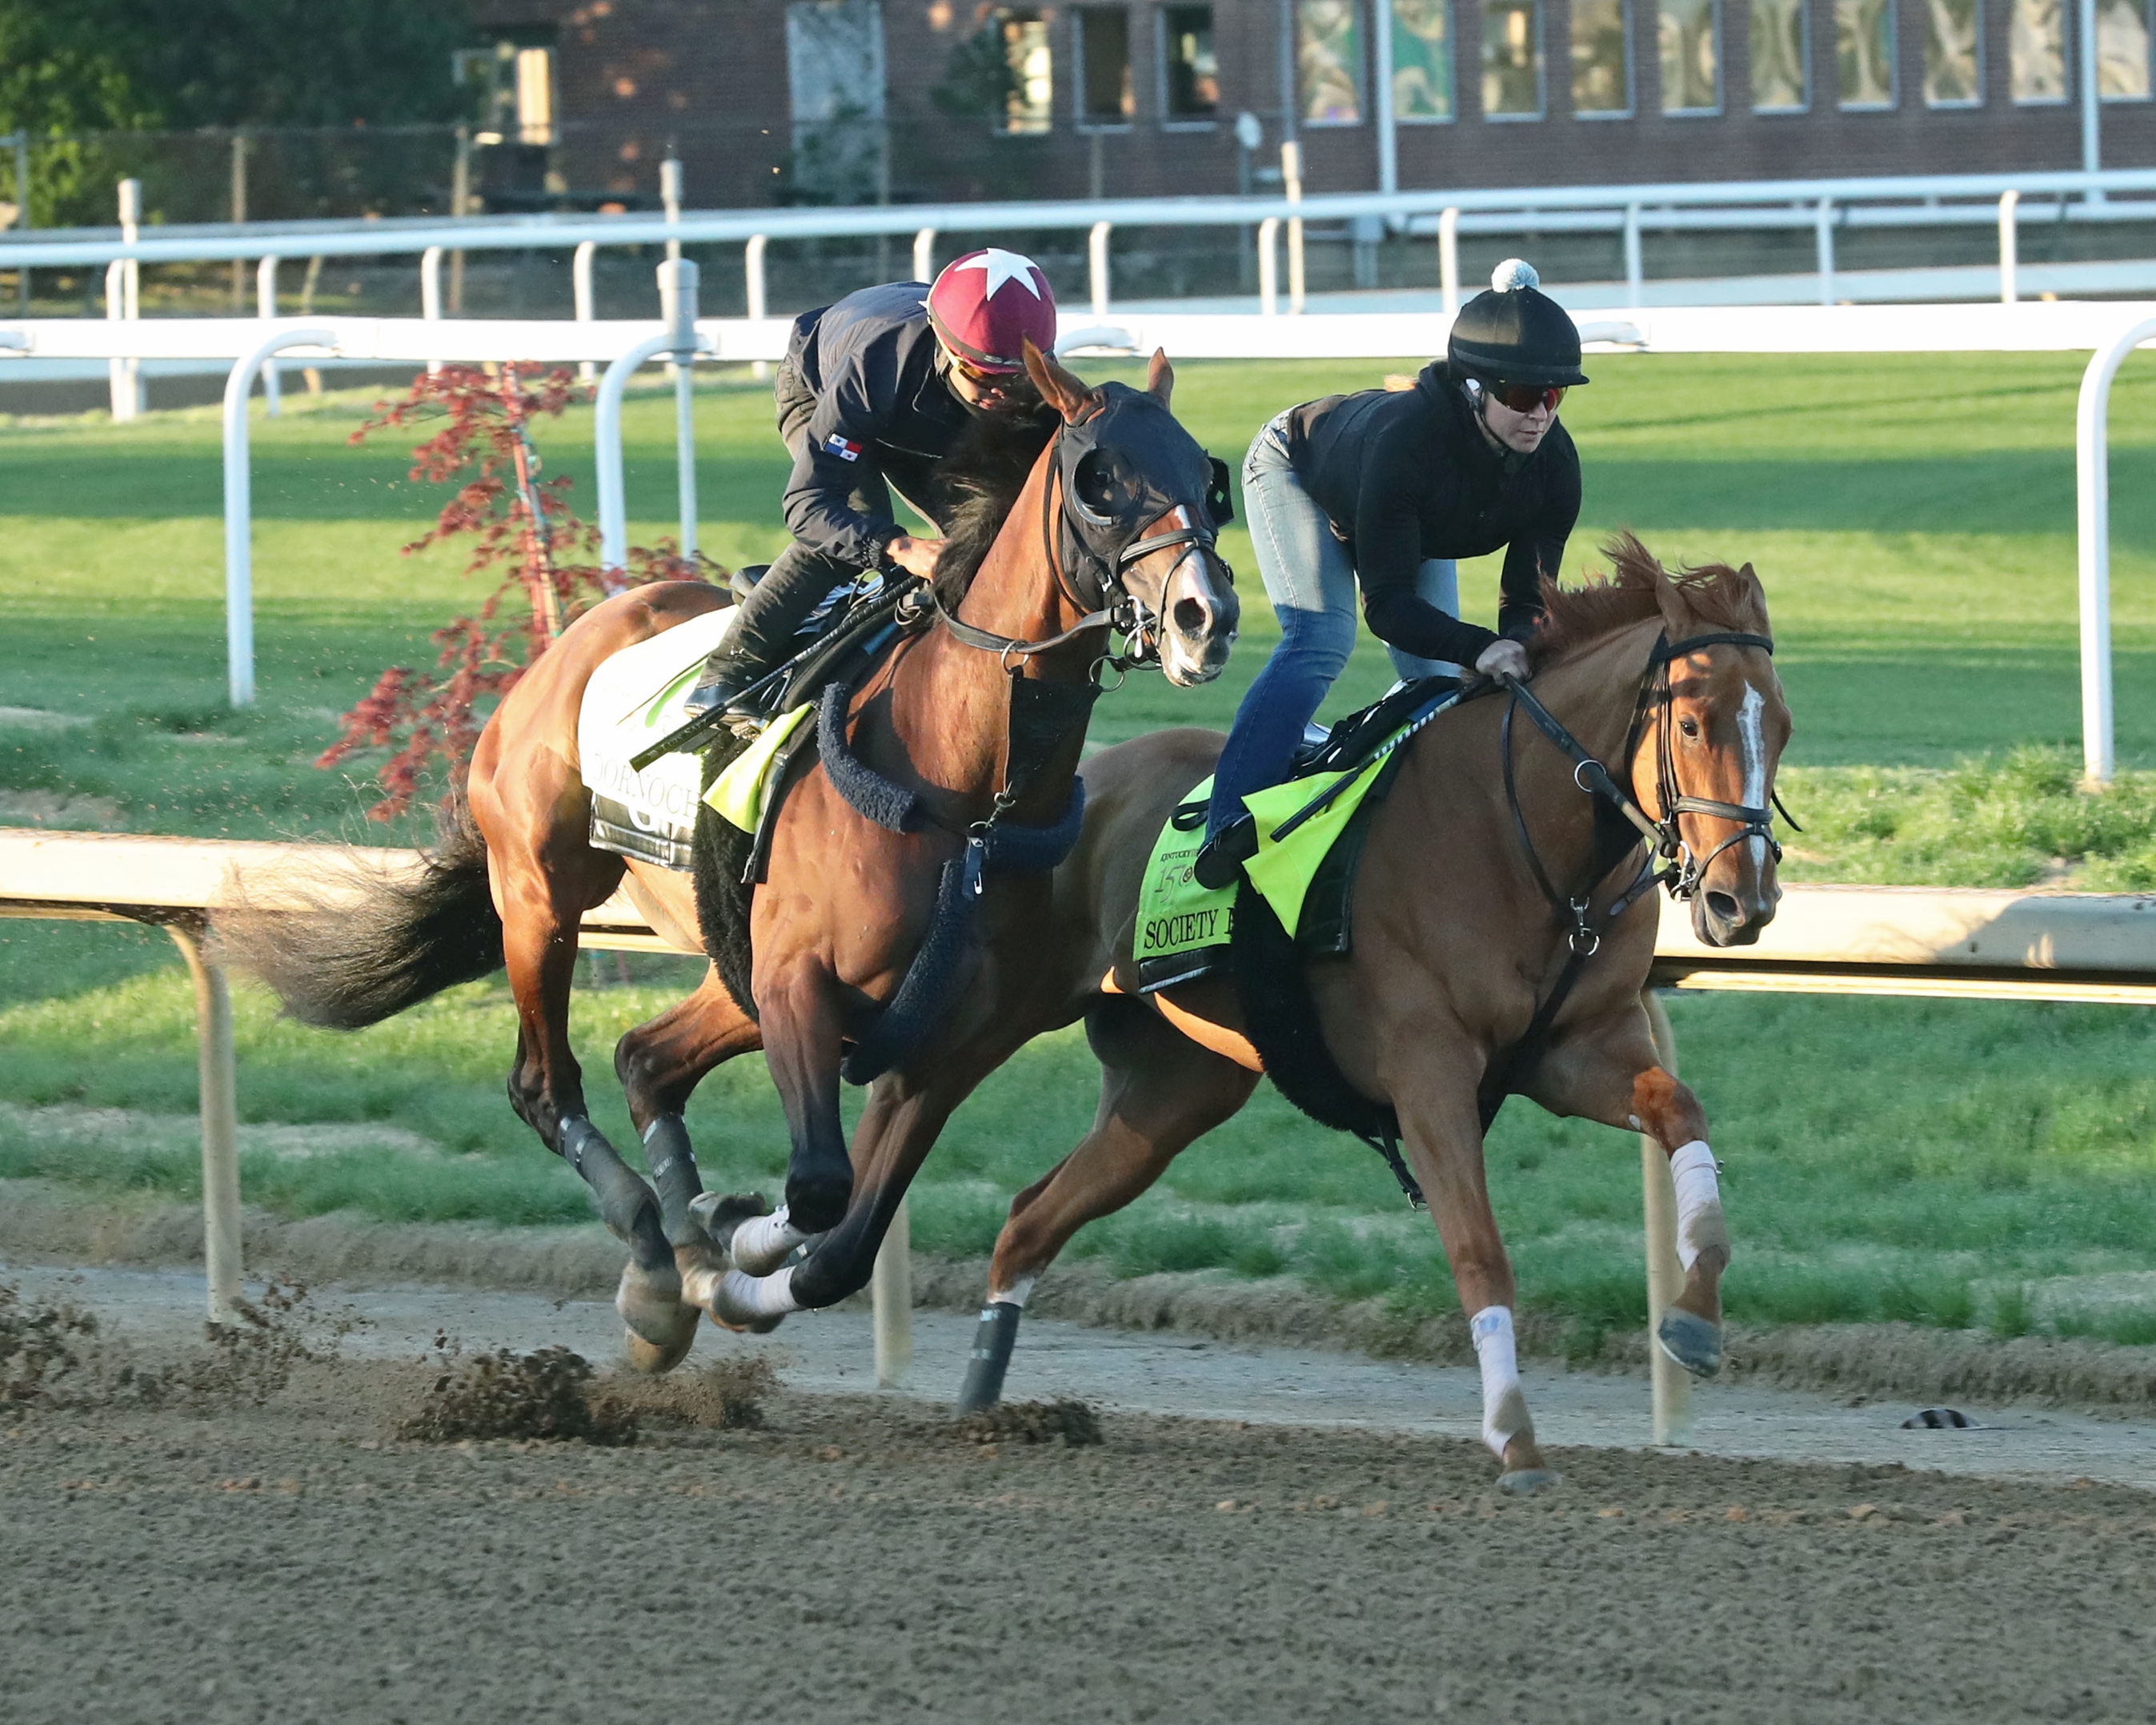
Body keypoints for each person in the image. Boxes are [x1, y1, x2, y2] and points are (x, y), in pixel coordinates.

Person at [1192, 259, 1586, 888]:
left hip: (1410, 514)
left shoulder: (1557, 467)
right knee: (1321, 640)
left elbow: (1525, 599)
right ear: (1475, 389)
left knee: (1436, 682)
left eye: (1554, 396)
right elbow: (1389, 604)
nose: (1539, 414)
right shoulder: (1411, 443)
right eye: (1520, 395)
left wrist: (1518, 643)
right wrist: (1481, 645)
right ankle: (1225, 823)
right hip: (1298, 468)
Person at [684, 247, 1060, 721]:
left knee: (986, 540)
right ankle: (726, 675)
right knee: (861, 525)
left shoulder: (1028, 380)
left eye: (1018, 377)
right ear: (946, 348)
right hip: (823, 388)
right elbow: (809, 504)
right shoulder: (879, 362)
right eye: (983, 376)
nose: (1001, 393)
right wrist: (901, 549)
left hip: (921, 416)